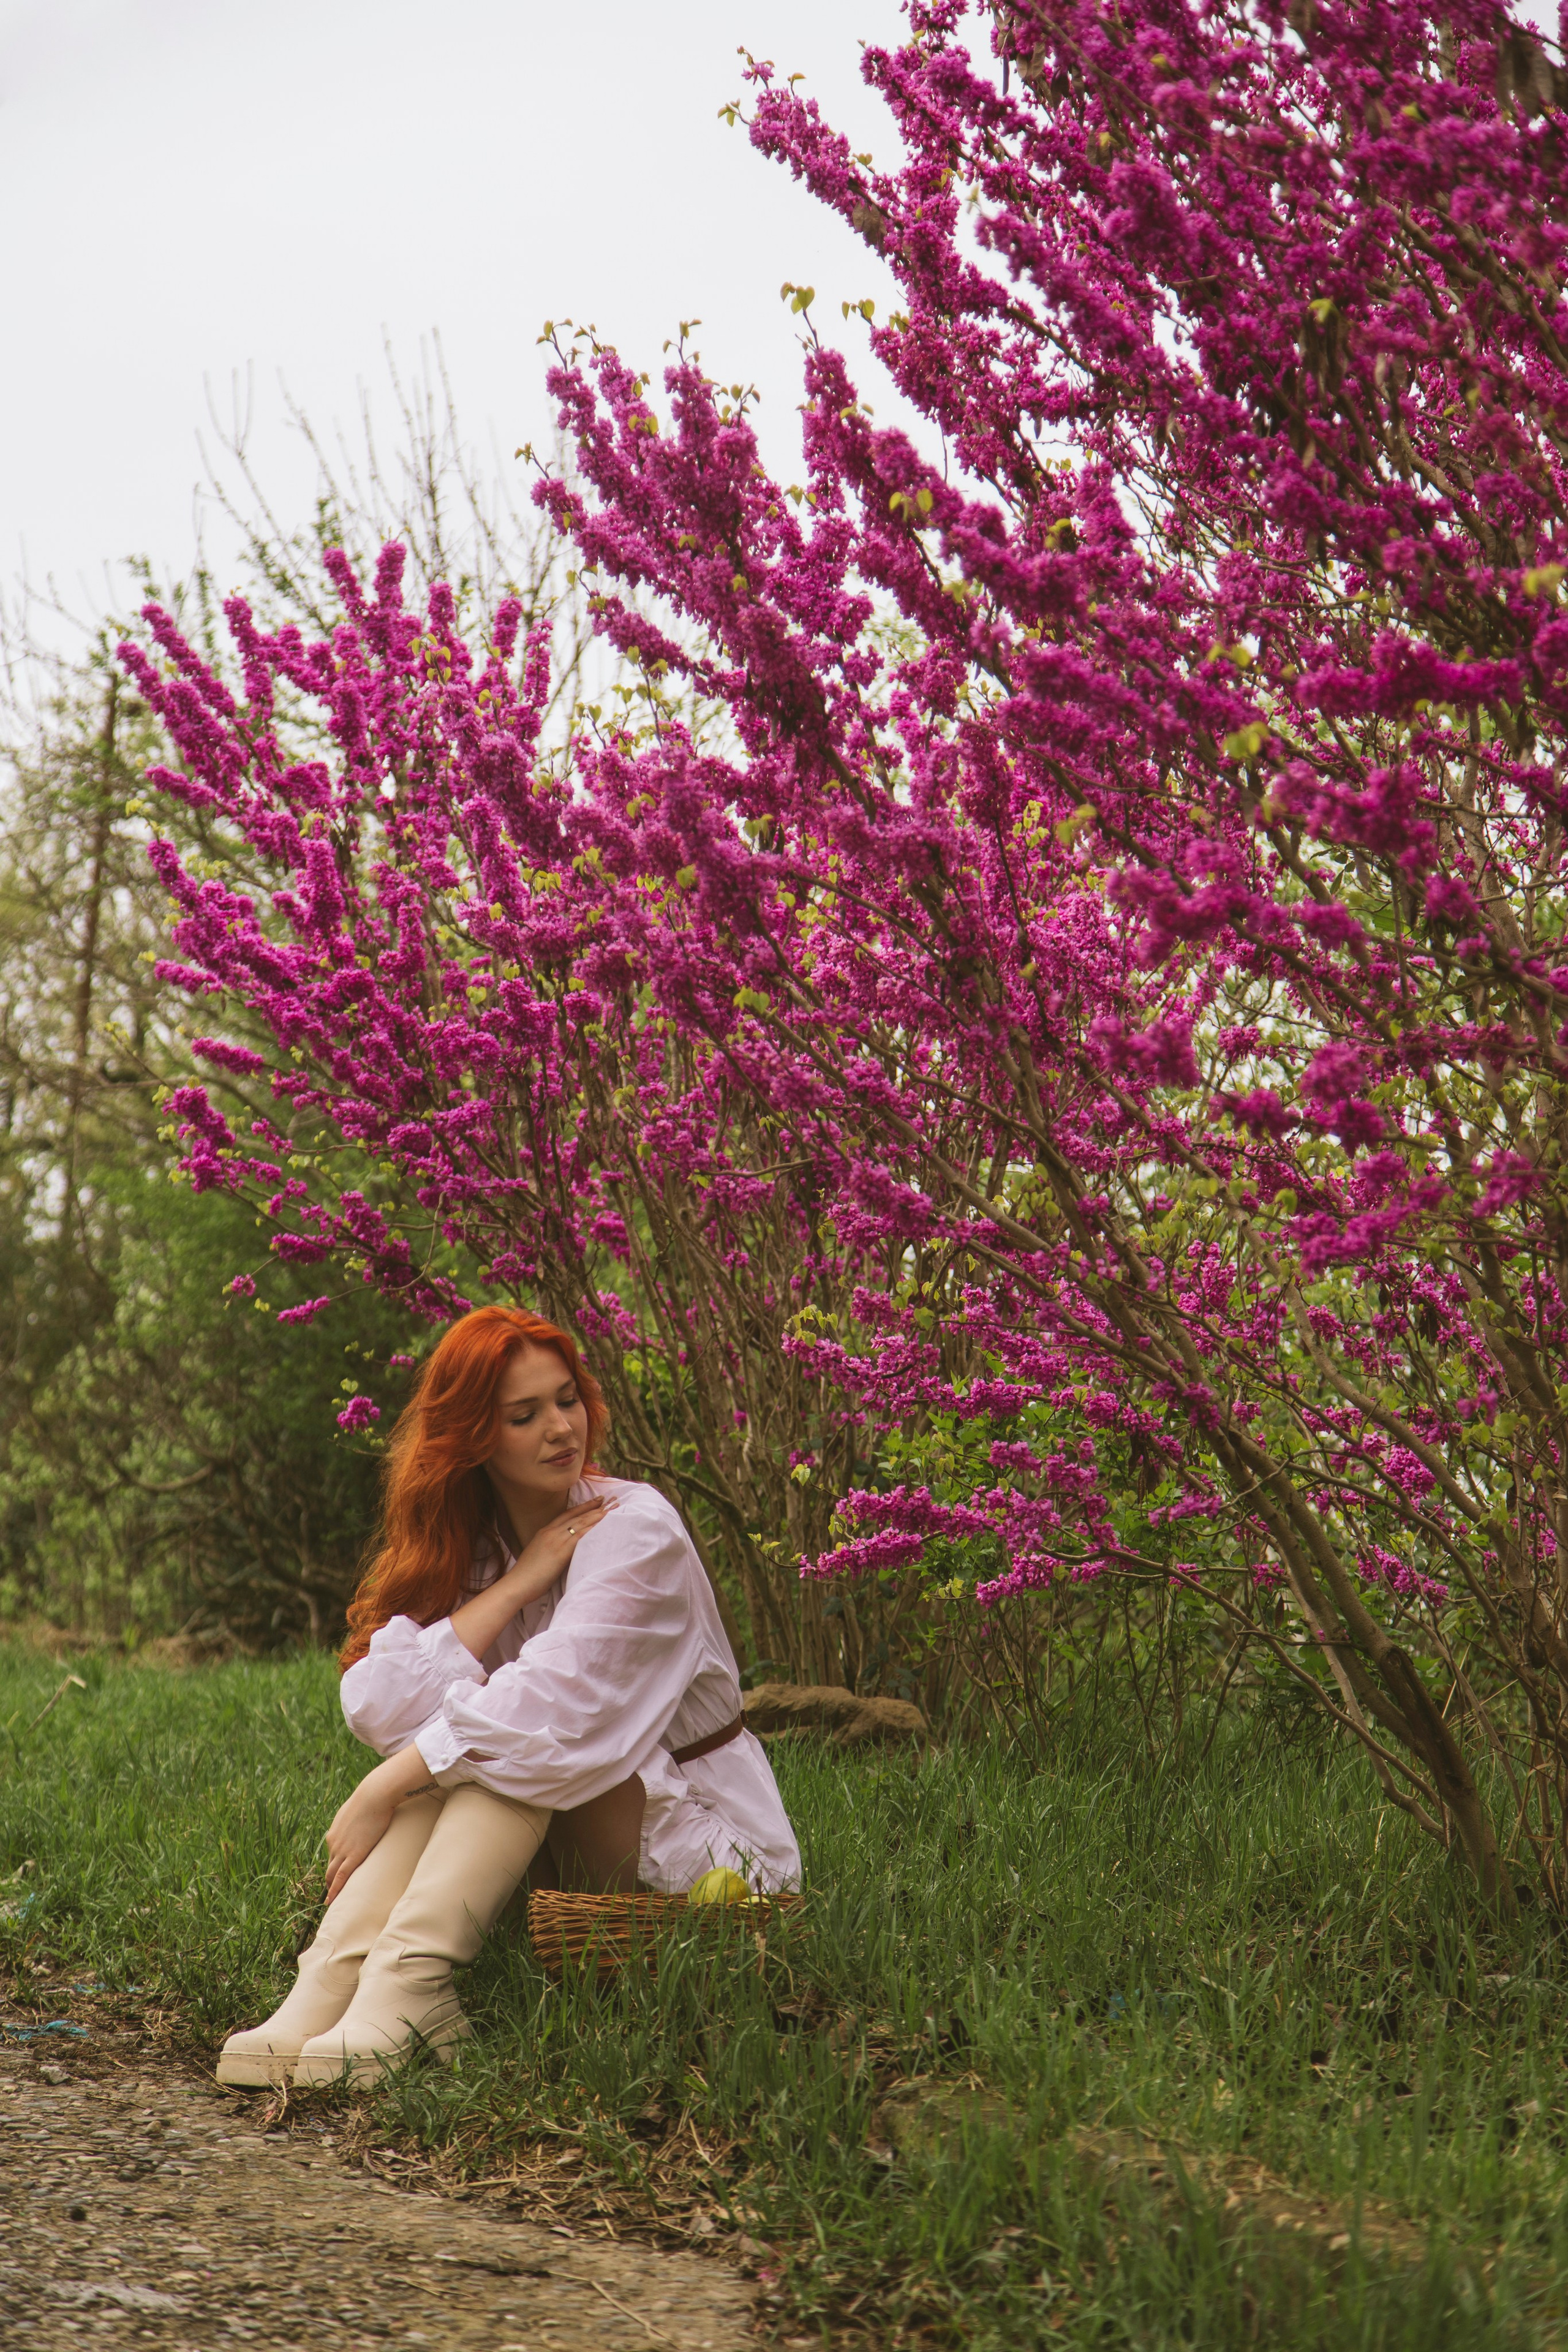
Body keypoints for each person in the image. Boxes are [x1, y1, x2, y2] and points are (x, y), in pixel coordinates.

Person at [216, 1305, 800, 2089]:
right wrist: (522, 1581)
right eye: (525, 1415)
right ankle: (333, 1980)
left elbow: (552, 1705)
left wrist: (383, 1784)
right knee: (468, 1746)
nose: (563, 1428)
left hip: (706, 1846)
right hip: (573, 1816)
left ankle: (410, 1984)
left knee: (509, 1742)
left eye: (567, 1400)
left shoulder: (638, 1531)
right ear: (475, 1438)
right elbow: (379, 1706)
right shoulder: (478, 1544)